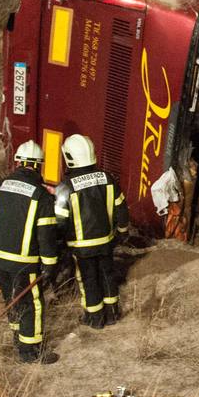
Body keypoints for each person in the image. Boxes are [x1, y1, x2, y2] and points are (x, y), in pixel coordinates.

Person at [0, 140, 61, 364]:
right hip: (23, 260)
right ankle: (31, 352)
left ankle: (18, 339)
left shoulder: (0, 185)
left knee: (11, 299)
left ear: (18, 162)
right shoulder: (41, 196)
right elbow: (46, 234)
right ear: (39, 166)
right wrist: (49, 264)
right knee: (31, 303)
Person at [54, 134, 129, 329]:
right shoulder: (107, 178)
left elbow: (60, 221)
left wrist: (58, 245)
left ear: (69, 157)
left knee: (88, 281)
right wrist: (121, 231)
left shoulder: (65, 187)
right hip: (106, 241)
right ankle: (112, 314)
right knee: (107, 275)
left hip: (81, 246)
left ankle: (94, 319)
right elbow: (121, 207)